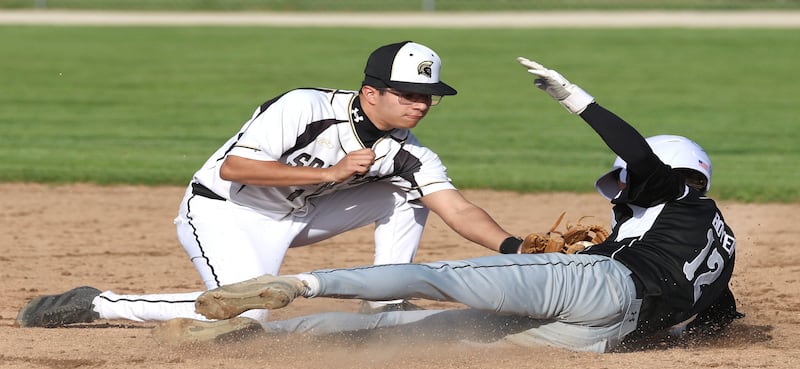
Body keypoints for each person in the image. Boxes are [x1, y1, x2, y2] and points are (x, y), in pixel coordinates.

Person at [151, 56, 742, 353]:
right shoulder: (718, 237)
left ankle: (300, 286)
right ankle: (267, 342)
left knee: (441, 282)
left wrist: (578, 101)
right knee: (440, 332)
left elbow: (638, 156)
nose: (621, 187)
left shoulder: (672, 190)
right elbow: (718, 312)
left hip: (597, 285)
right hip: (611, 336)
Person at [15, 41, 519, 328]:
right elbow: (235, 168)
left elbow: (457, 208)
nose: (421, 104)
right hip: (224, 211)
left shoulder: (408, 151)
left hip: (297, 217)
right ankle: (98, 303)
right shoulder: (304, 107)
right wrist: (329, 174)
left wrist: (515, 246)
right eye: (409, 94)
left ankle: (383, 300)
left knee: (407, 191)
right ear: (371, 92)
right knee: (247, 315)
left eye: (429, 96)